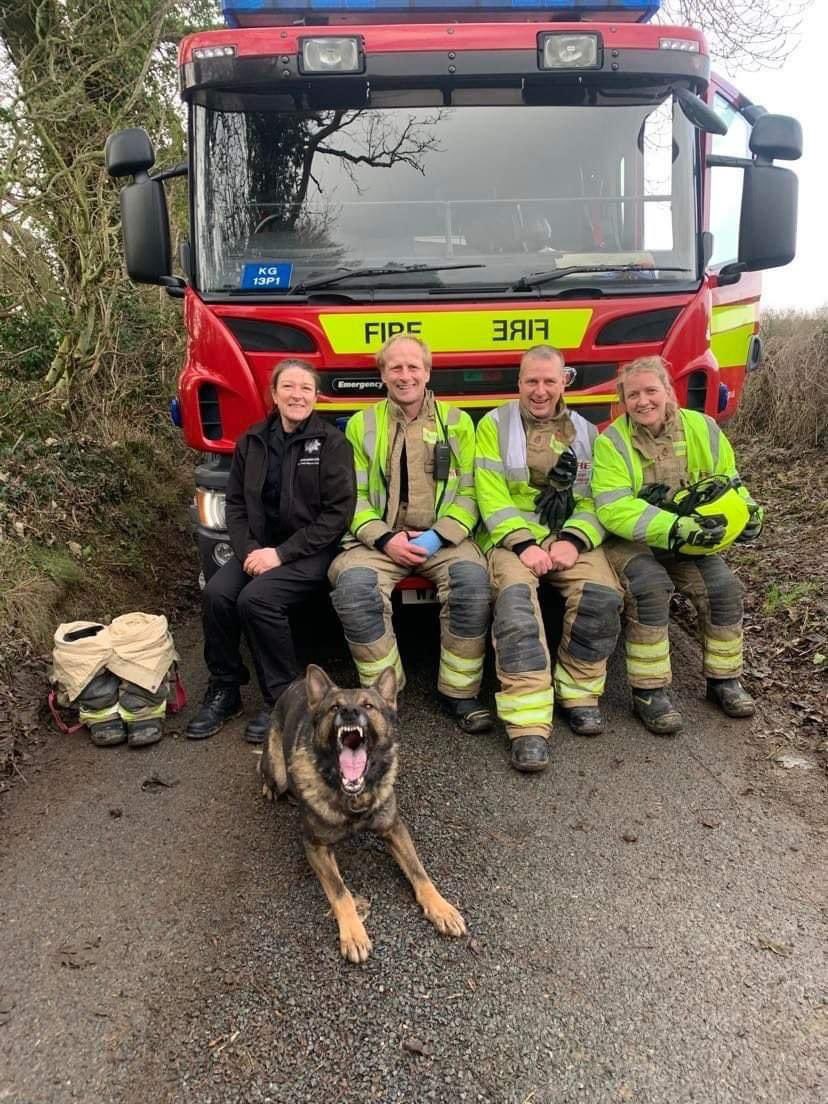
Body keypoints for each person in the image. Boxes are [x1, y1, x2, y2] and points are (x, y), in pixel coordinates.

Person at [328, 335, 493, 733]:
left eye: (413, 367)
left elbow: (471, 492)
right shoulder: (360, 425)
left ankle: (459, 692)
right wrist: (385, 540)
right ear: (383, 375)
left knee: (472, 582)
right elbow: (354, 496)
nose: (405, 376)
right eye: (395, 368)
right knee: (354, 588)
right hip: (379, 541)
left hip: (444, 539)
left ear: (428, 372)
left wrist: (436, 538)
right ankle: (383, 699)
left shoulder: (458, 423)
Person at [591, 355, 763, 735]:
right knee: (650, 588)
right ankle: (649, 693)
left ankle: (724, 680)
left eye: (651, 391)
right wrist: (676, 527)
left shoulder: (703, 428)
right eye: (632, 394)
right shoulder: (611, 443)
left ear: (669, 392)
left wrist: (748, 512)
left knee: (723, 589)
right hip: (629, 542)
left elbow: (729, 481)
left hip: (688, 538)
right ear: (623, 401)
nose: (643, 401)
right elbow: (613, 508)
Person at [186, 359, 356, 743]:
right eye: (289, 388)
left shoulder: (332, 443)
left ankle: (282, 699)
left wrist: (279, 555)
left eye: (306, 389)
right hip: (259, 550)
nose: (298, 396)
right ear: (275, 395)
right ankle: (225, 689)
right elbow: (235, 505)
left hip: (311, 552)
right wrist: (250, 551)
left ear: (316, 397)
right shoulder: (252, 441)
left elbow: (337, 515)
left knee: (257, 600)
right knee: (216, 594)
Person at [475, 345, 623, 773]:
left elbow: (599, 497)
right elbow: (490, 494)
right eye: (531, 381)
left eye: (549, 381)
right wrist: (525, 545)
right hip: (511, 542)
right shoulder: (494, 426)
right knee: (516, 607)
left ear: (565, 382)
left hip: (567, 541)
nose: (540, 391)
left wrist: (574, 541)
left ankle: (579, 692)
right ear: (518, 383)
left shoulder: (586, 432)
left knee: (601, 595)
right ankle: (527, 725)